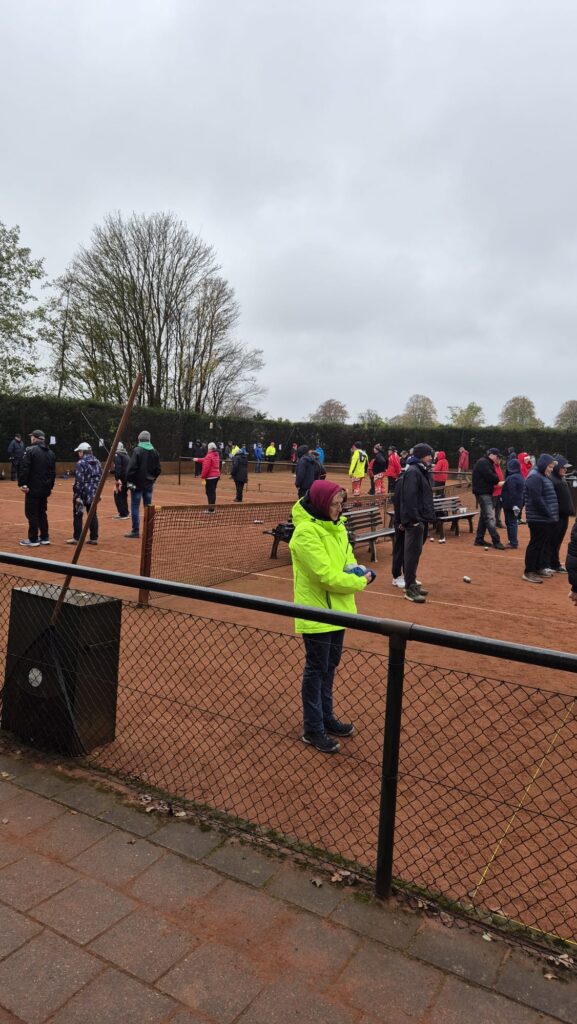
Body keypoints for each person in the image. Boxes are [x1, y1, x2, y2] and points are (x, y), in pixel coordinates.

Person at [289, 479, 373, 754]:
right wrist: (360, 581)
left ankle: (326, 718)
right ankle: (313, 728)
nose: (339, 509)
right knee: (316, 669)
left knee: (329, 667)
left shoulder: (336, 527)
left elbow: (346, 562)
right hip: (316, 614)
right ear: (322, 504)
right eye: (335, 504)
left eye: (341, 504)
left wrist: (357, 570)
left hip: (339, 610)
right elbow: (324, 576)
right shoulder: (305, 533)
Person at [392, 443, 436, 603]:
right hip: (414, 521)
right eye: (428, 455)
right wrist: (414, 520)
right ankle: (410, 588)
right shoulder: (413, 471)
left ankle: (412, 583)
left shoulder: (419, 470)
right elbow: (408, 498)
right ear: (422, 455)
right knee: (410, 555)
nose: (431, 458)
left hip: (420, 519)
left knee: (415, 554)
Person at [522, 454, 559, 584]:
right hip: (538, 518)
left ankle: (538, 568)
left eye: (552, 467)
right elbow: (536, 498)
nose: (551, 469)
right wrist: (548, 513)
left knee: (541, 544)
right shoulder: (535, 477)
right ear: (543, 465)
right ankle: (529, 572)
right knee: (535, 544)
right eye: (550, 467)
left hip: (544, 518)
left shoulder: (542, 476)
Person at [18, 429, 56, 547]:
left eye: (32, 436)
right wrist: (50, 487)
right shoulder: (51, 453)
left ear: (35, 438)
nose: (31, 438)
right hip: (45, 488)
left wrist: (23, 484)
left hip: (33, 488)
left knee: (31, 513)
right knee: (42, 513)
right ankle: (45, 537)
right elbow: (53, 473)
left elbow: (25, 468)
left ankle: (33, 539)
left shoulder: (30, 450)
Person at [125, 430, 162, 538]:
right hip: (149, 485)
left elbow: (131, 468)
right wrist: (153, 479)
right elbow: (158, 469)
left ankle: (135, 531)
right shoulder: (155, 452)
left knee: (135, 506)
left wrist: (129, 481)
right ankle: (148, 531)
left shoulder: (137, 450)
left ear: (139, 439)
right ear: (149, 439)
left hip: (137, 485)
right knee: (148, 508)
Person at [67, 442, 102, 545]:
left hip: (83, 493)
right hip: (93, 493)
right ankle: (94, 538)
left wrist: (77, 495)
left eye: (79, 451)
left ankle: (77, 538)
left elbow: (80, 481)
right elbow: (100, 477)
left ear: (82, 452)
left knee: (78, 514)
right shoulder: (97, 462)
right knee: (92, 514)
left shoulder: (81, 463)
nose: (78, 453)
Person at [472, 448, 505, 549]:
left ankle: (479, 539)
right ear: (492, 455)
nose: (498, 458)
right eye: (497, 456)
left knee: (484, 516)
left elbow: (494, 477)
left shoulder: (487, 463)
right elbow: (493, 478)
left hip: (485, 492)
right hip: (483, 493)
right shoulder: (484, 463)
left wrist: (495, 478)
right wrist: (496, 479)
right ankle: (496, 541)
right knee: (490, 517)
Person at [548, 456, 574, 573]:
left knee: (558, 541)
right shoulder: (551, 479)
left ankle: (555, 563)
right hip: (556, 516)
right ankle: (549, 563)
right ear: (557, 467)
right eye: (563, 467)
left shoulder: (561, 478)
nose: (565, 470)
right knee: (552, 541)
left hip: (564, 516)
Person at [501, 458, 524, 549]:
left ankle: (513, 542)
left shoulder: (512, 478)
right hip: (518, 503)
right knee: (513, 521)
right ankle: (513, 541)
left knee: (511, 522)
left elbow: (511, 492)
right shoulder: (520, 476)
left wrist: (511, 504)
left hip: (511, 504)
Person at [195, 441, 221, 509]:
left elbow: (206, 468)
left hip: (210, 477)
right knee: (213, 492)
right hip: (216, 476)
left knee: (209, 493)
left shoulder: (209, 456)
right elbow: (205, 459)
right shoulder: (216, 455)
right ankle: (212, 508)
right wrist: (197, 459)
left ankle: (211, 509)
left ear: (210, 448)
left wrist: (202, 477)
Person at [113, 442, 130, 519]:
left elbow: (118, 468)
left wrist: (117, 478)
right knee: (123, 495)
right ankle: (125, 512)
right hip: (127, 479)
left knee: (118, 495)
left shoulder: (117, 455)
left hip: (121, 479)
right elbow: (123, 468)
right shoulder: (126, 455)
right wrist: (112, 471)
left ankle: (123, 514)